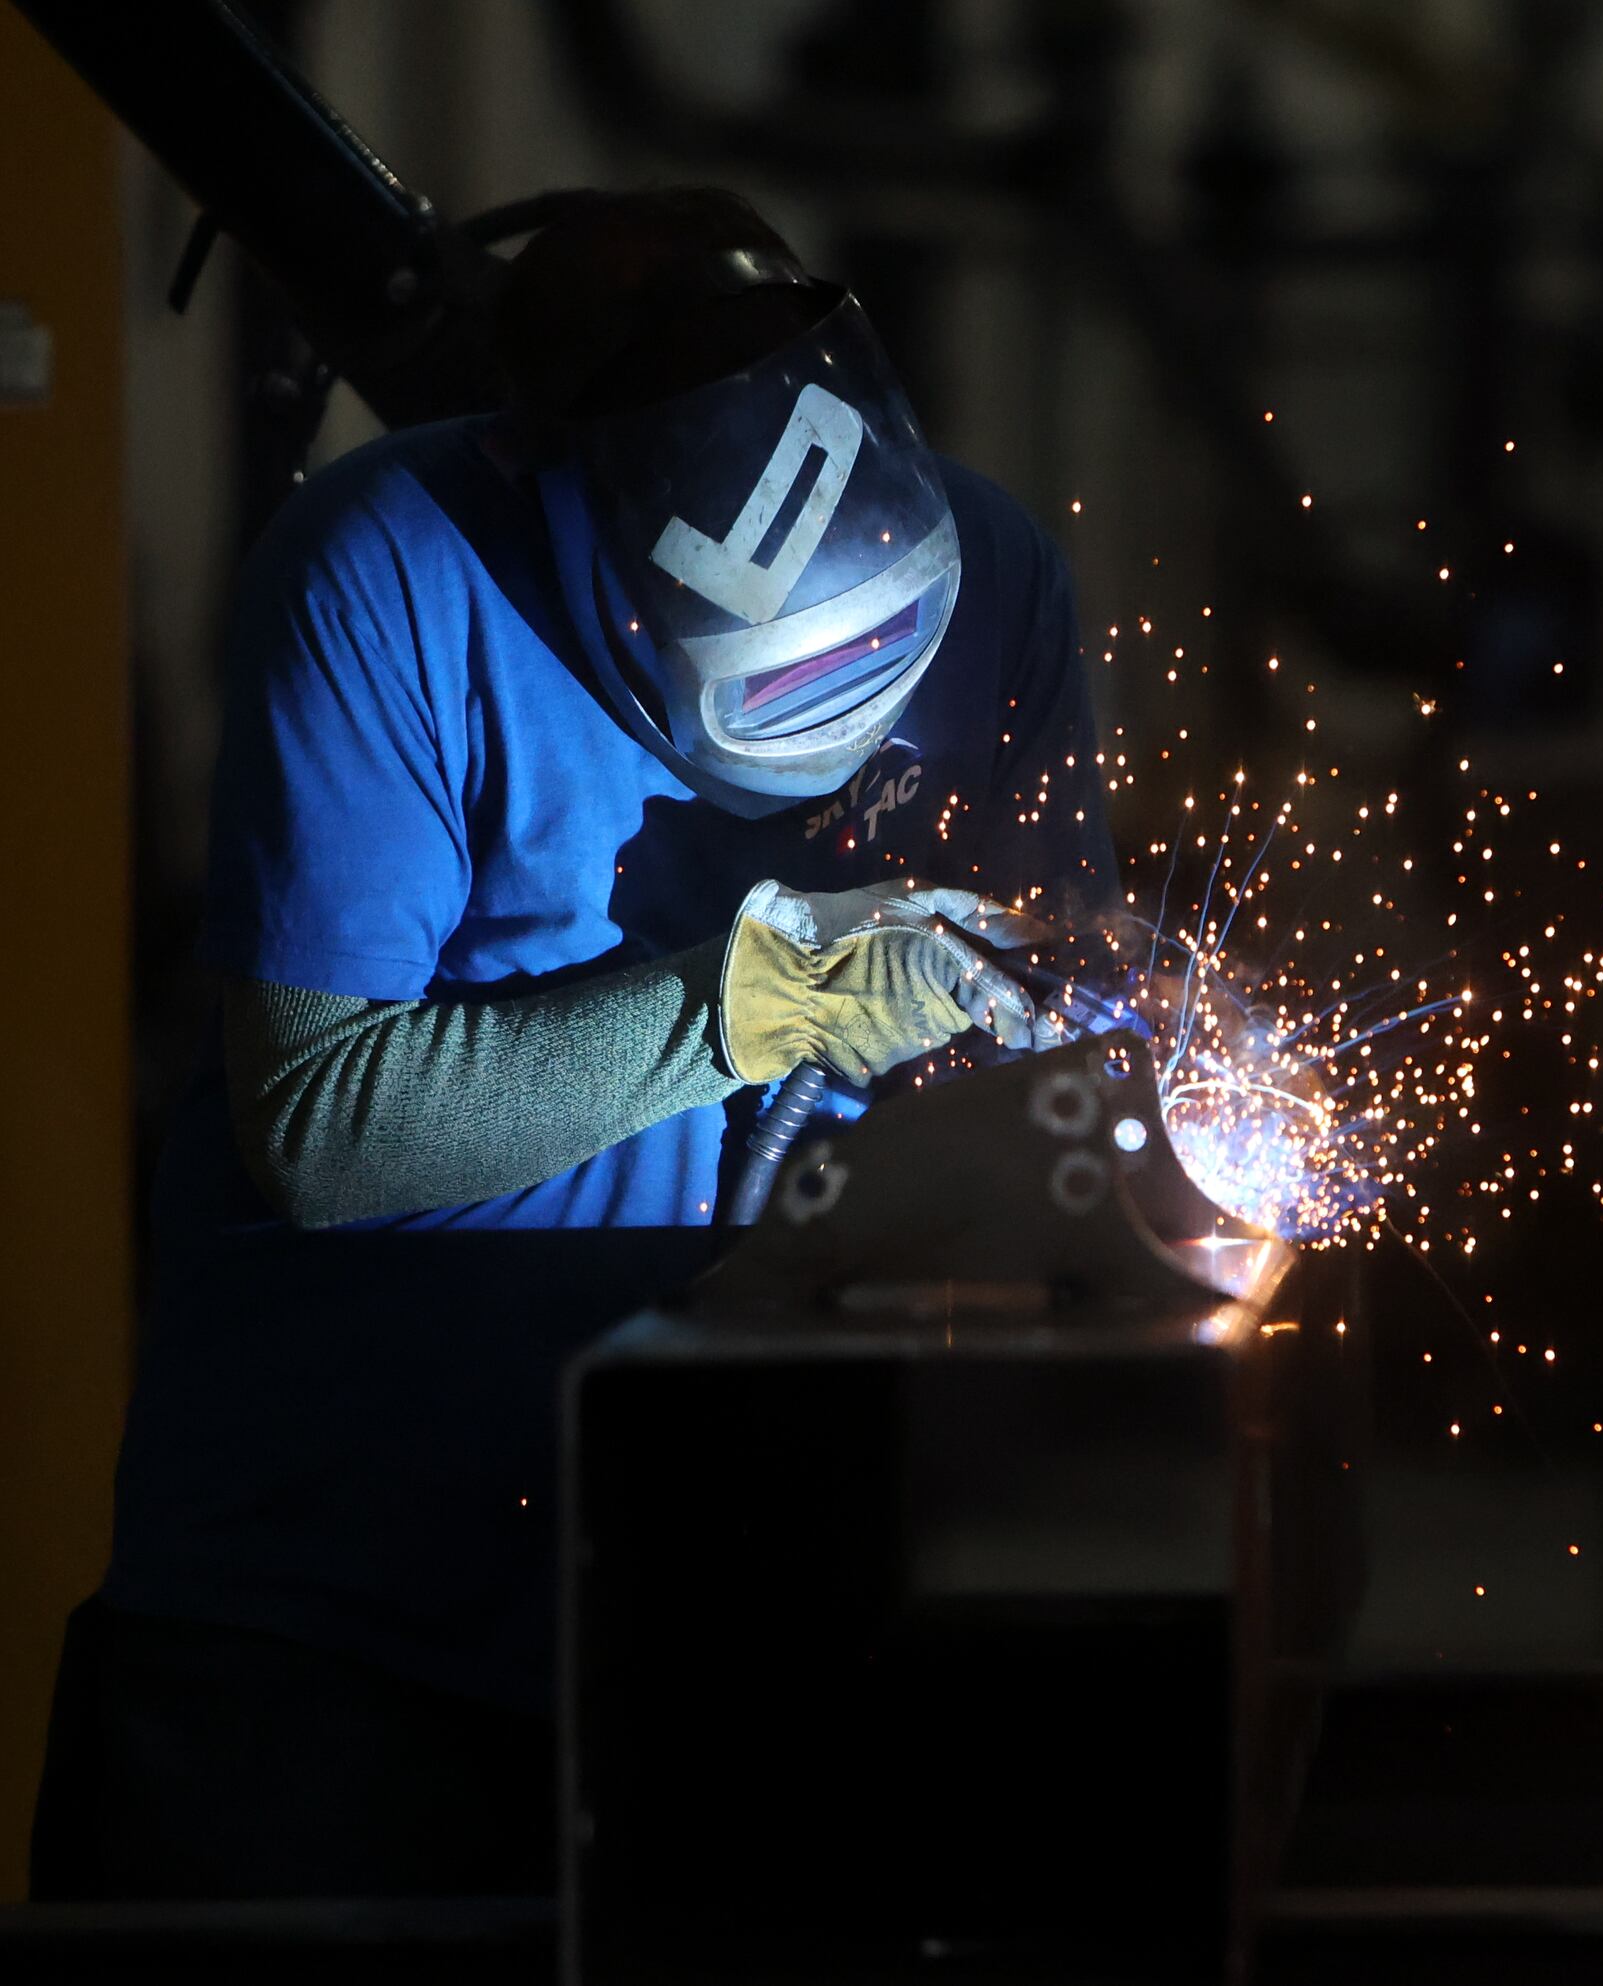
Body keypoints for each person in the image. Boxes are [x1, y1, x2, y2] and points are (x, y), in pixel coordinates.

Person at [32, 188, 1114, 1899]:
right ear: (556, 503)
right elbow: (318, 1123)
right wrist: (749, 1007)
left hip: (730, 1608)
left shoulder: (995, 584)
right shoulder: (389, 570)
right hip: (331, 1625)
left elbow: (1057, 1041)